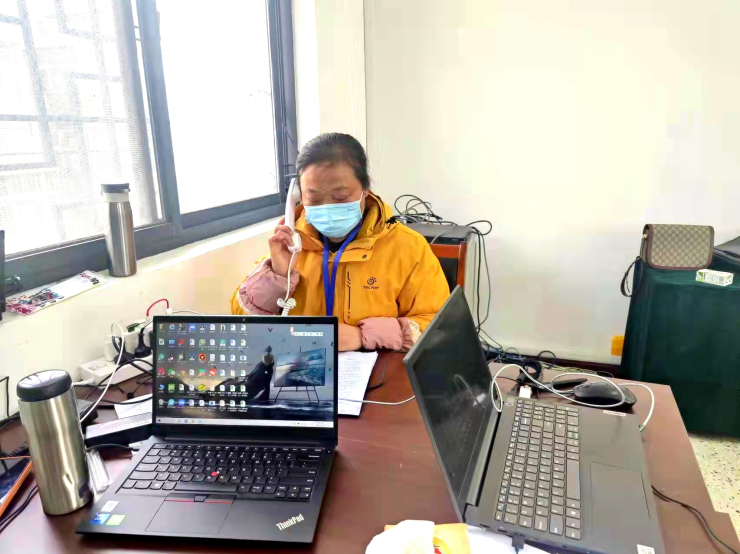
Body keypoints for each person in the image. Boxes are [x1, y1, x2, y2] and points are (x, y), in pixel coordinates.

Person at [230, 133, 449, 352]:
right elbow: (240, 320)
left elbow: (439, 327)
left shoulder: (408, 247)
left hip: (379, 368)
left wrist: (364, 336)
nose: (327, 207)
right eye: (313, 199)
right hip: (302, 363)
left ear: (365, 188)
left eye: (341, 197)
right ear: (298, 195)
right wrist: (278, 275)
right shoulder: (290, 243)